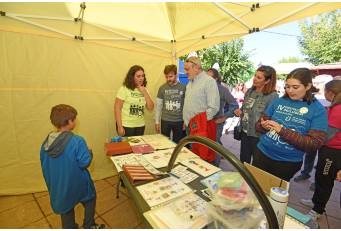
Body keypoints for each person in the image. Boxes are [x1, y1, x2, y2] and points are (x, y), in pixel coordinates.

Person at [253, 68, 328, 182]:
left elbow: (314, 144)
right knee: (254, 187)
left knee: (272, 195)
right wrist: (263, 126)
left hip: (286, 163)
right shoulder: (279, 101)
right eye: (287, 86)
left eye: (295, 87)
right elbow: (258, 125)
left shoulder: (318, 109)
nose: (290, 91)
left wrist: (282, 131)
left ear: (307, 86)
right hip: (262, 153)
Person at [40, 104, 105, 229]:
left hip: (59, 186)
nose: (75, 121)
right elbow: (84, 162)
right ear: (69, 122)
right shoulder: (77, 141)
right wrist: (89, 152)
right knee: (90, 199)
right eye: (74, 119)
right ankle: (89, 225)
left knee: (66, 208)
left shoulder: (45, 143)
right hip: (78, 183)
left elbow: (45, 164)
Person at [300, 80, 341, 224]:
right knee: (320, 176)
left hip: (333, 152)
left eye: (325, 91)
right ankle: (315, 201)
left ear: (331, 93)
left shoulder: (338, 110)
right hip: (328, 150)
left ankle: (318, 209)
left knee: (325, 180)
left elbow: (326, 135)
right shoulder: (333, 107)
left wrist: (307, 141)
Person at [234, 65, 278, 164]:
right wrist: (239, 112)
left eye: (259, 77)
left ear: (267, 81)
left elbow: (273, 118)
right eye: (255, 75)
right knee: (243, 162)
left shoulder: (273, 96)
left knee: (257, 163)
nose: (254, 79)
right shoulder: (250, 91)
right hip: (245, 133)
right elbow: (244, 109)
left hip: (259, 136)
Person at [183, 56, 220, 164]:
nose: (185, 72)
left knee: (204, 159)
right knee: (194, 158)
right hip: (189, 127)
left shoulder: (209, 82)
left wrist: (198, 122)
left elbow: (214, 108)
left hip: (201, 128)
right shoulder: (190, 83)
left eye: (187, 69)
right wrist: (186, 120)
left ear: (196, 68)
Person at [207, 67, 238, 166]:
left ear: (216, 79)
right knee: (206, 144)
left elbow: (234, 105)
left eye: (210, 77)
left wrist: (224, 117)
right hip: (204, 121)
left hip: (216, 122)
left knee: (215, 145)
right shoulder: (204, 88)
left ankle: (215, 167)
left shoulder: (222, 89)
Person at [114, 65, 154, 137]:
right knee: (127, 148)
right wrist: (119, 126)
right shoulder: (124, 89)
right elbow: (117, 108)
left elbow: (151, 108)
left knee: (138, 148)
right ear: (132, 77)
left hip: (140, 125)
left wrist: (144, 92)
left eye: (142, 76)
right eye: (138, 76)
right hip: (126, 125)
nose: (141, 78)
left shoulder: (145, 90)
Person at [155, 64, 186, 143]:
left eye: (171, 76)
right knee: (164, 143)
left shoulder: (183, 87)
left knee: (178, 144)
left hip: (179, 121)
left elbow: (186, 106)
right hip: (165, 120)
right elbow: (158, 106)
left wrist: (185, 121)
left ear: (176, 75)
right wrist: (157, 122)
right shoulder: (162, 88)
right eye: (166, 77)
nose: (168, 79)